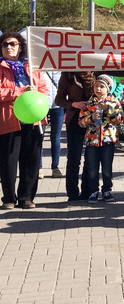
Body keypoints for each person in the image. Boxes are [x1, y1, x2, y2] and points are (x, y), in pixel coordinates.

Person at [0, 32, 48, 209]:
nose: (9, 47)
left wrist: (36, 91)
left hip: (33, 120)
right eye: (5, 44)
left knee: (31, 160)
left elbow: (44, 89)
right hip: (9, 120)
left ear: (21, 47)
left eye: (13, 44)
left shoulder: (31, 66)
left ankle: (26, 197)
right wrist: (20, 92)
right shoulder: (0, 66)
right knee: (8, 162)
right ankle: (9, 198)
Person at [78, 74, 123, 204]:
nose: (98, 89)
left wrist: (110, 112)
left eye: (101, 86)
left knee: (107, 167)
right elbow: (80, 122)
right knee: (92, 168)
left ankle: (107, 190)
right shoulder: (89, 103)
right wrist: (90, 118)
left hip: (108, 140)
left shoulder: (113, 101)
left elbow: (119, 118)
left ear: (108, 88)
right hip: (92, 140)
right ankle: (93, 191)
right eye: (96, 86)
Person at [56, 71, 95, 201]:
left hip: (93, 118)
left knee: (91, 157)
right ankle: (72, 193)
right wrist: (74, 104)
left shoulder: (97, 70)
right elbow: (59, 99)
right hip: (74, 119)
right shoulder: (68, 74)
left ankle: (88, 191)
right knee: (74, 157)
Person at [43, 70, 64, 178]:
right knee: (39, 137)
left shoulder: (59, 67)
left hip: (58, 105)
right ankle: (39, 168)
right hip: (40, 104)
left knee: (56, 137)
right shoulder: (38, 64)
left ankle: (55, 167)